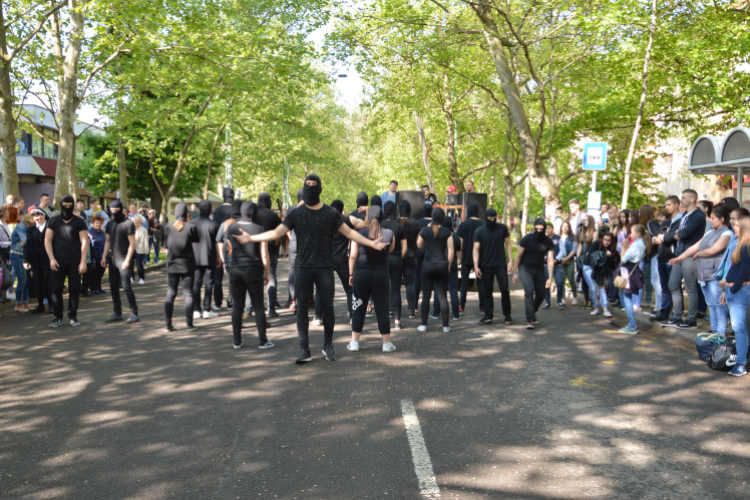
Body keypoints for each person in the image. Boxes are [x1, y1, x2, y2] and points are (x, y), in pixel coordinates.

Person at [232, 174, 387, 364]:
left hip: (324, 268)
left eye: (314, 185)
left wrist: (371, 244)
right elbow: (275, 233)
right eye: (308, 185)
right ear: (304, 188)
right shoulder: (296, 214)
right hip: (303, 268)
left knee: (328, 309)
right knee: (302, 309)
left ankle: (327, 346)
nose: (311, 188)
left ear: (320, 188)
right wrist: (251, 238)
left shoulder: (330, 213)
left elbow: (351, 233)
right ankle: (304, 349)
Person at [670, 206, 731, 337]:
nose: (710, 221)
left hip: (715, 274)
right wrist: (679, 258)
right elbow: (695, 246)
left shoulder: (726, 233)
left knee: (719, 304)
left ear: (722, 219)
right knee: (711, 303)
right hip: (704, 274)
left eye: (713, 218)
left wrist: (698, 254)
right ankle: (714, 329)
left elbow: (714, 250)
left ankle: (721, 331)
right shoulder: (709, 232)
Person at [347, 205, 397, 352]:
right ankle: (386, 344)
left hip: (361, 274)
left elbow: (353, 256)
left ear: (367, 218)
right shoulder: (389, 233)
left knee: (358, 307)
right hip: (381, 275)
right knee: (382, 308)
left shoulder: (359, 233)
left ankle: (355, 343)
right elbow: (391, 250)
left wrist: (351, 274)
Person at [226, 202, 274, 349]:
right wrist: (267, 273)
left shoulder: (231, 227)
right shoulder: (259, 229)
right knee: (258, 306)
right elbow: (264, 254)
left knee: (237, 307)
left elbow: (230, 248)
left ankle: (237, 341)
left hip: (236, 270)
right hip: (253, 270)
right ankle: (262, 340)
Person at [44, 195, 89, 328]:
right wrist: (51, 259)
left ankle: (73, 316)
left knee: (74, 289)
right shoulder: (53, 221)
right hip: (57, 260)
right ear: (60, 204)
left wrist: (83, 261)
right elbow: (47, 240)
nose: (67, 207)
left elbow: (84, 241)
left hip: (75, 260)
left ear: (73, 205)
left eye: (70, 205)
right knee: (56, 290)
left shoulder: (79, 221)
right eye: (65, 205)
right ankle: (57, 317)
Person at [664, 189, 705, 329]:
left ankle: (691, 319)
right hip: (680, 254)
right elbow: (676, 233)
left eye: (684, 197)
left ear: (692, 199)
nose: (681, 199)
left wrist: (678, 234)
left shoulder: (698, 215)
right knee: (673, 284)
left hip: (690, 256)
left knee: (690, 287)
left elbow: (684, 233)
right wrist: (678, 234)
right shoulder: (686, 214)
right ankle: (676, 316)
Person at [157, 202, 199, 332]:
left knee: (170, 294)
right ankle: (189, 324)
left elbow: (165, 245)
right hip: (187, 265)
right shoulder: (191, 227)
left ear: (175, 213)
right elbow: (195, 240)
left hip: (172, 265)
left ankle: (167, 324)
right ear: (187, 213)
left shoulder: (168, 228)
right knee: (188, 294)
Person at [313, 199, 354, 325]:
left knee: (321, 289)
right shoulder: (346, 220)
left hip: (327, 260)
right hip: (343, 260)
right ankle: (353, 316)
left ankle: (318, 317)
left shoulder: (324, 218)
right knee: (349, 288)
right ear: (342, 210)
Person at [720, 215, 750, 376]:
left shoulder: (746, 245)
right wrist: (727, 288)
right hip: (735, 290)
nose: (734, 228)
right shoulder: (741, 244)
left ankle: (741, 364)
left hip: (739, 291)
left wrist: (733, 288)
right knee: (741, 327)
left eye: (737, 226)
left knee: (739, 328)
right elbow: (735, 269)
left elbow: (745, 270)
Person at [102, 200, 139, 324]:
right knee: (113, 287)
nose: (113, 213)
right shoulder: (109, 224)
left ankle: (134, 313)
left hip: (124, 259)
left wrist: (127, 260)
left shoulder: (128, 223)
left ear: (121, 210)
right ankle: (117, 313)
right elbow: (107, 241)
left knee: (126, 287)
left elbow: (132, 244)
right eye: (111, 211)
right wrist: (104, 257)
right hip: (113, 260)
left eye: (116, 211)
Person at [416, 207, 453, 332]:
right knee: (442, 296)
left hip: (427, 266)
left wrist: (427, 234)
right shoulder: (447, 232)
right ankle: (446, 326)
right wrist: (448, 264)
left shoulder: (425, 230)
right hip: (442, 265)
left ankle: (423, 324)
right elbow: (451, 251)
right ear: (442, 218)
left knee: (426, 296)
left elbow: (419, 245)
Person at [513, 218, 554, 329]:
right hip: (525, 268)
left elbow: (550, 260)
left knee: (541, 294)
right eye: (537, 229)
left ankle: (531, 312)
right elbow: (518, 256)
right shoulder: (527, 239)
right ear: (534, 228)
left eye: (541, 229)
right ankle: (530, 319)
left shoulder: (548, 241)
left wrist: (550, 277)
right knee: (529, 290)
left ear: (545, 229)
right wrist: (514, 273)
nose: (539, 231)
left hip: (539, 269)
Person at [474, 208, 513, 325]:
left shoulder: (502, 228)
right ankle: (488, 316)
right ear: (486, 218)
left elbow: (508, 244)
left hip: (501, 264)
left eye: (494, 218)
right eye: (489, 219)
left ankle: (507, 316)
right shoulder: (479, 231)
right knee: (487, 291)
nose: (492, 220)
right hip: (485, 265)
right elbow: (475, 249)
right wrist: (476, 266)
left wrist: (510, 261)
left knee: (504, 290)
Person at [651, 195, 682, 322]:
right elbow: (654, 238)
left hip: (672, 258)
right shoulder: (666, 222)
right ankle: (664, 312)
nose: (667, 207)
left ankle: (676, 314)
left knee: (674, 287)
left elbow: (671, 238)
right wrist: (661, 238)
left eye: (669, 204)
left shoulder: (680, 221)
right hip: (661, 257)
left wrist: (663, 238)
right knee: (664, 286)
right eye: (666, 205)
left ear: (677, 204)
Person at [617, 224, 650, 335]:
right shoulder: (641, 244)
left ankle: (632, 326)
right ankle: (631, 324)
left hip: (629, 272)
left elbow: (623, 259)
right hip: (633, 271)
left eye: (632, 232)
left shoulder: (636, 245)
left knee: (626, 299)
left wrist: (623, 248)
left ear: (638, 233)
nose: (630, 234)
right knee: (624, 299)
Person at [191, 200, 219, 320]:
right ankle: (207, 309)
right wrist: (218, 257)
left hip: (195, 258)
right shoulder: (213, 224)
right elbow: (217, 242)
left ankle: (196, 310)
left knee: (196, 284)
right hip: (209, 257)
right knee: (209, 283)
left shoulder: (192, 224)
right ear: (209, 209)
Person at [381, 201, 407, 329]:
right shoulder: (399, 226)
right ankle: (397, 322)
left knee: (382, 291)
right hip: (396, 260)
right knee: (396, 290)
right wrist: (398, 257)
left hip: (382, 261)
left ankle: (384, 319)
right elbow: (405, 248)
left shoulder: (381, 225)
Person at [256, 193, 282, 318]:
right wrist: (274, 246)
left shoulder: (253, 213)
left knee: (255, 280)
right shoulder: (273, 216)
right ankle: (271, 308)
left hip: (255, 251)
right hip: (270, 252)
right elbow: (278, 235)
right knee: (271, 278)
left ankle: (252, 309)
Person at [456, 203, 485, 314]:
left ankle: (461, 307)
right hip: (479, 258)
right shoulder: (482, 225)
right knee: (480, 283)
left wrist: (459, 257)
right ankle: (482, 307)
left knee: (464, 283)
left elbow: (461, 243)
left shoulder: (464, 224)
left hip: (466, 257)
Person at [431, 216, 460, 321]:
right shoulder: (456, 237)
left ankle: (435, 313)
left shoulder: (439, 235)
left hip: (440, 264)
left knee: (438, 289)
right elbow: (458, 253)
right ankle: (456, 314)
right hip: (452, 265)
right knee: (453, 290)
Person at [24, 207, 52, 314]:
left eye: (39, 215)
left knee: (49, 283)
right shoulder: (31, 229)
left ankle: (51, 305)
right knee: (37, 283)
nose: (37, 218)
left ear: (44, 215)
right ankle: (40, 306)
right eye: (34, 216)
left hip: (48, 260)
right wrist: (26, 260)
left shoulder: (50, 227)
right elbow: (28, 245)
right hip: (35, 260)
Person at [583, 230, 616, 318]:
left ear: (611, 241)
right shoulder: (596, 244)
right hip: (589, 267)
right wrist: (604, 254)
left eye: (608, 240)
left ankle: (605, 309)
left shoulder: (611, 250)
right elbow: (591, 256)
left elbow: (609, 264)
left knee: (601, 288)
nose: (606, 242)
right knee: (593, 288)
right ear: (602, 239)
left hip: (600, 270)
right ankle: (596, 308)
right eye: (605, 240)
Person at [217, 199, 243, 311]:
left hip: (228, 258)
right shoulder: (243, 224)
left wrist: (222, 259)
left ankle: (230, 302)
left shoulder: (224, 224)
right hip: (241, 258)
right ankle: (240, 303)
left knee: (232, 281)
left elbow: (220, 243)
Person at [212, 187, 235, 310]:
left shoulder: (218, 210)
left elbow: (215, 227)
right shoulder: (235, 209)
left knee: (218, 275)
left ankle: (217, 302)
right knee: (232, 276)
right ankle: (230, 301)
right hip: (232, 246)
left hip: (219, 243)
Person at [399, 200, 420, 319]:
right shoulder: (415, 223)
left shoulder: (397, 223)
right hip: (411, 256)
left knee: (395, 284)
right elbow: (418, 241)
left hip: (398, 257)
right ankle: (411, 310)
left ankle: (392, 309)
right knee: (409, 284)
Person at [285, 188, 304, 310]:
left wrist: (291, 237)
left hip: (293, 244)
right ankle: (307, 299)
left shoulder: (291, 209)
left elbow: (286, 228)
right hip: (306, 245)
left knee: (292, 271)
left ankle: (292, 300)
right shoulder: (310, 208)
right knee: (305, 271)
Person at [10, 214, 33, 312]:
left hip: (24, 256)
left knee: (27, 280)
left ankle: (25, 302)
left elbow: (27, 242)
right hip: (17, 255)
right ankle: (18, 304)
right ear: (28, 222)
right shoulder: (21, 227)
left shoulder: (27, 227)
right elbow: (26, 241)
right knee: (22, 280)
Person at [414, 203, 433, 312]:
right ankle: (428, 304)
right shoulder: (434, 224)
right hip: (430, 252)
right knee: (429, 279)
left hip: (419, 252)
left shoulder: (418, 222)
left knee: (417, 277)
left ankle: (415, 305)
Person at [557, 221, 578, 307]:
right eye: (563, 226)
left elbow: (574, 250)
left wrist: (567, 258)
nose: (565, 228)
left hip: (570, 261)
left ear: (569, 228)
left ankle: (575, 296)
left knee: (571, 279)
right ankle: (562, 298)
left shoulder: (573, 238)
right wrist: (561, 259)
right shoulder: (558, 237)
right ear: (561, 227)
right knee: (561, 280)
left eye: (567, 226)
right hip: (560, 261)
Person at [87, 216, 106, 294]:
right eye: (97, 223)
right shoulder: (90, 232)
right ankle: (93, 288)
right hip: (94, 256)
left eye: (100, 223)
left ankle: (99, 287)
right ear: (93, 223)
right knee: (94, 274)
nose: (98, 224)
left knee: (100, 273)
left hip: (102, 256)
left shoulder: (102, 232)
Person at [132, 214, 149, 285]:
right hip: (131, 249)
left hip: (139, 249)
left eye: (138, 221)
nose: (136, 222)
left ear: (140, 222)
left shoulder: (144, 230)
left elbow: (145, 241)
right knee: (130, 264)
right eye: (135, 221)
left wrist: (146, 250)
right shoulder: (131, 229)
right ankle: (131, 277)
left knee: (139, 264)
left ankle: (141, 278)